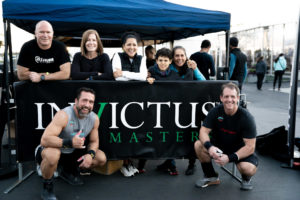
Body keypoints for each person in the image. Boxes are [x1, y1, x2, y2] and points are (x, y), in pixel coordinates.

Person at [36, 87, 107, 200]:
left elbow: (94, 141)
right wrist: (69, 142)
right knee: (52, 156)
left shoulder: (94, 118)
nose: (87, 105)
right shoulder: (64, 115)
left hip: (72, 153)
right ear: (76, 101)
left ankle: (67, 171)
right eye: (84, 100)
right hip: (52, 149)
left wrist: (91, 154)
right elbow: (45, 140)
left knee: (101, 158)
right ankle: (47, 187)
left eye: (91, 102)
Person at [194, 82, 258, 190]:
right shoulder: (215, 111)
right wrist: (210, 147)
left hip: (239, 149)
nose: (229, 100)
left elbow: (250, 147)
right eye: (226, 96)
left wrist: (230, 158)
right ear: (221, 98)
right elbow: (203, 131)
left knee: (247, 169)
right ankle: (211, 176)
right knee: (198, 145)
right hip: (220, 146)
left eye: (232, 97)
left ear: (237, 98)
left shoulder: (246, 117)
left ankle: (246, 178)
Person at [155, 46, 206, 176]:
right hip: (171, 108)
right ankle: (170, 162)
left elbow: (204, 81)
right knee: (171, 135)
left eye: (182, 55)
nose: (179, 58)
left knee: (190, 135)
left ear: (186, 56)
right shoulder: (169, 68)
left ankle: (191, 164)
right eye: (177, 55)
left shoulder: (190, 67)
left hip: (189, 107)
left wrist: (195, 69)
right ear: (172, 58)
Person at [112, 32, 147, 177]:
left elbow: (143, 77)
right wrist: (134, 77)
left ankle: (130, 162)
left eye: (134, 44)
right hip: (122, 99)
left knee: (135, 131)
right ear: (123, 46)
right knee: (124, 132)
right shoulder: (116, 56)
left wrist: (124, 73)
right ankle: (124, 163)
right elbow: (117, 79)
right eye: (129, 44)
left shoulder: (142, 58)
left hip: (138, 100)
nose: (132, 47)